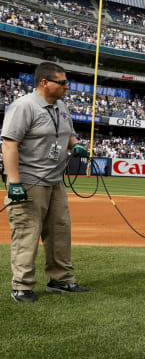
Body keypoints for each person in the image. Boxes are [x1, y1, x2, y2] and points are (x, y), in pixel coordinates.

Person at [1, 62, 89, 303]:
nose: (67, 86)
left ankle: (60, 280)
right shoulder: (24, 106)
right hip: (30, 183)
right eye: (62, 82)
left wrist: (75, 144)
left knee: (60, 232)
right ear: (44, 83)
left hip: (55, 182)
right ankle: (22, 286)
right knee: (27, 233)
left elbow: (68, 134)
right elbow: (9, 144)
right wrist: (14, 182)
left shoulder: (61, 106)